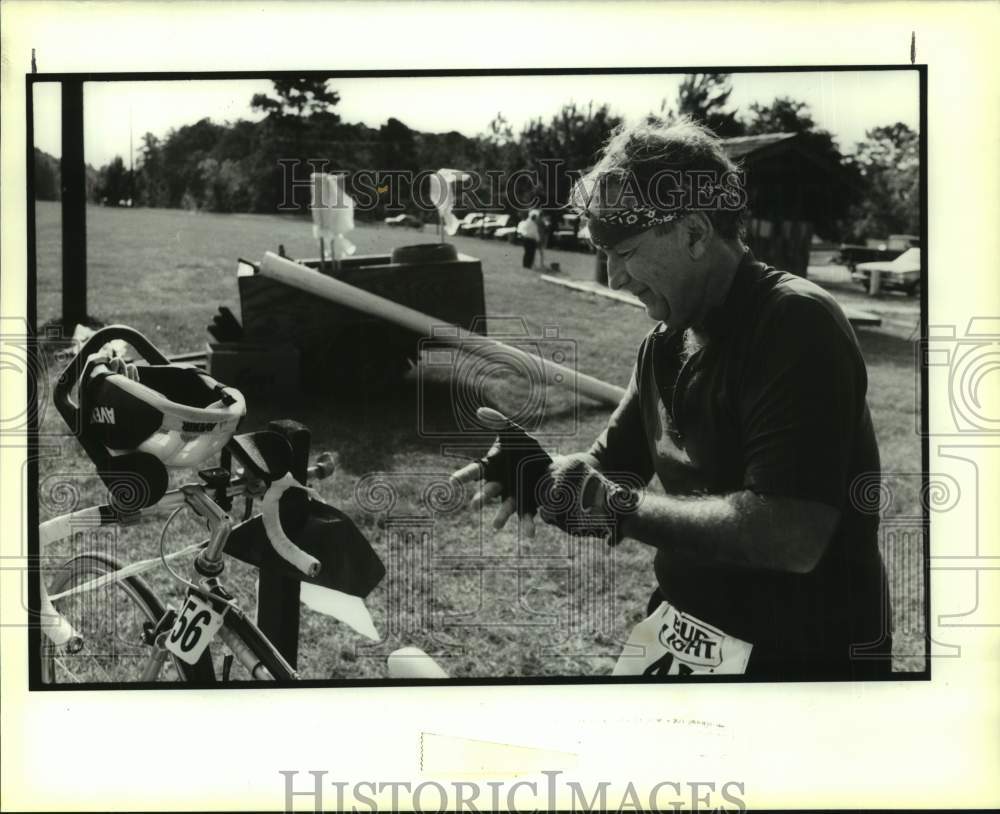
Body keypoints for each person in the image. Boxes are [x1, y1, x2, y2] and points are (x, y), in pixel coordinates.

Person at [452, 118, 892, 680]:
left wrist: (613, 506)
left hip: (801, 658)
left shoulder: (795, 323)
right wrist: (538, 474)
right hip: (685, 629)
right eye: (601, 253)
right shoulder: (664, 343)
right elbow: (609, 469)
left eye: (626, 250)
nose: (613, 278)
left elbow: (791, 535)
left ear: (693, 232)